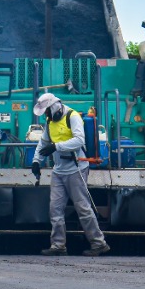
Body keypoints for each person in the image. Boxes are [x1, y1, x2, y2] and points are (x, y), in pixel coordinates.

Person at [32, 92, 111, 257]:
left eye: (46, 111)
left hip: (76, 168)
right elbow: (43, 143)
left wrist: (56, 146)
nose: (46, 114)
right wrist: (36, 161)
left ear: (53, 107)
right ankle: (58, 245)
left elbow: (79, 140)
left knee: (83, 208)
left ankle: (99, 243)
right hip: (59, 170)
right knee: (55, 209)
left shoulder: (72, 116)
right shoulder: (50, 121)